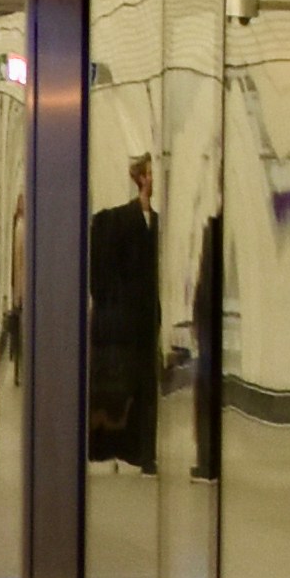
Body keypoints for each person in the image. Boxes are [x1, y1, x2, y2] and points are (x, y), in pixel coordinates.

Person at [88, 147, 162, 466]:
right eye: (150, 175)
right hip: (130, 321)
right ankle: (124, 446)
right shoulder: (121, 221)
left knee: (147, 388)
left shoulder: (156, 222)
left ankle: (146, 452)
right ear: (141, 179)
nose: (153, 181)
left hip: (147, 320)